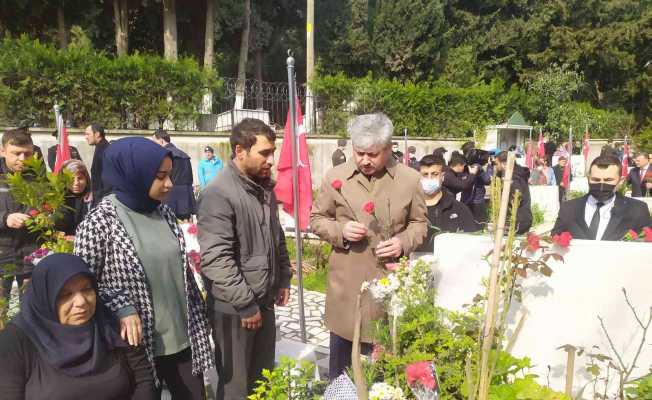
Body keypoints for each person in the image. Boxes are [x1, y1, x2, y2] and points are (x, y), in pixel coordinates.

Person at [74, 137, 214, 399]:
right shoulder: (98, 223)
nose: (169, 184)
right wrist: (121, 306)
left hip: (183, 339)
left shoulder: (165, 214)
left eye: (169, 175)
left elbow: (181, 272)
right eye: (160, 176)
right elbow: (82, 285)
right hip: (136, 348)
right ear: (133, 174)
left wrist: (202, 312)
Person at [310, 113, 427, 381]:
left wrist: (402, 242)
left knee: (383, 375)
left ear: (388, 148)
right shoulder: (336, 177)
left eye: (372, 154)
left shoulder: (409, 180)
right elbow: (316, 219)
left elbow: (419, 224)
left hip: (388, 289)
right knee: (342, 376)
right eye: (359, 152)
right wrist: (341, 231)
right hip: (346, 290)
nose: (364, 160)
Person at [197, 118, 292, 399]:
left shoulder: (261, 188)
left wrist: (284, 277)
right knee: (235, 387)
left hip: (262, 301)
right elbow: (216, 259)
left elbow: (277, 237)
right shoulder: (218, 194)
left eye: (272, 152)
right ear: (240, 151)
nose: (271, 160)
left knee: (261, 381)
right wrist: (245, 304)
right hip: (234, 309)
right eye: (264, 153)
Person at [0, 253, 155, 400]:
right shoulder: (16, 341)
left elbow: (143, 380)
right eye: (65, 295)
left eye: (87, 289)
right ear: (45, 298)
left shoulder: (111, 324)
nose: (81, 302)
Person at [552, 155, 652, 240]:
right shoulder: (569, 208)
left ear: (620, 181)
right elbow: (555, 240)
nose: (601, 184)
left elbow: (646, 245)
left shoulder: (637, 209)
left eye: (608, 180)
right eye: (596, 179)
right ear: (588, 178)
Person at [0, 128, 39, 307]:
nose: (22, 159)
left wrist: (40, 217)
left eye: (27, 154)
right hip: (2, 255)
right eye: (16, 153)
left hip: (30, 255)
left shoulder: (38, 178)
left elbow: (48, 208)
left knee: (30, 309)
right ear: (3, 151)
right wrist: (5, 218)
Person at [415, 155, 479, 253]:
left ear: (442, 176)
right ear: (419, 177)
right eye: (425, 174)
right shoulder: (411, 208)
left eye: (434, 174)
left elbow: (470, 243)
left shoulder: (459, 209)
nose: (429, 178)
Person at [152, 129, 196, 221]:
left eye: (154, 141)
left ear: (161, 141)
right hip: (186, 196)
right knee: (186, 228)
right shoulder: (184, 154)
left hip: (170, 196)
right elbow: (190, 178)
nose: (153, 144)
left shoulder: (164, 155)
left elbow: (162, 177)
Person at [494, 151, 533, 234]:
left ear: (504, 164)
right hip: (522, 217)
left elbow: (517, 197)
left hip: (517, 219)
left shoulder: (513, 177)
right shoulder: (518, 174)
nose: (496, 167)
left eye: (497, 164)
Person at [56, 159, 93, 235]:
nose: (76, 183)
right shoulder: (57, 200)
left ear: (86, 179)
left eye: (80, 178)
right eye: (71, 179)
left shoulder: (93, 198)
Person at [85, 123, 112, 206]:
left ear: (97, 134)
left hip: (103, 199)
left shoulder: (104, 150)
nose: (86, 137)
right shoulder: (101, 147)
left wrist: (99, 198)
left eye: (88, 134)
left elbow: (107, 178)